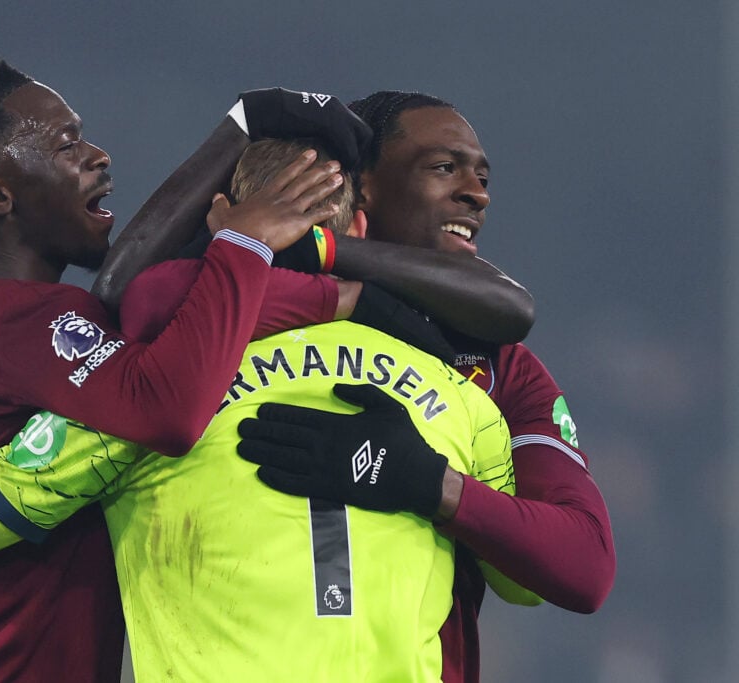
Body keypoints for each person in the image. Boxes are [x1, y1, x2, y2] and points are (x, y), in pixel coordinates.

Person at [0, 137, 541, 682]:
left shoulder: (151, 392)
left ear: (220, 223)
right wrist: (431, 486)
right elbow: (530, 576)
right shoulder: (460, 396)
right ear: (357, 227)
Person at [0, 56, 370, 682]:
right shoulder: (27, 319)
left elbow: (133, 295)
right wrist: (250, 243)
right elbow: (167, 407)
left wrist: (246, 124)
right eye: (66, 144)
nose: (98, 156)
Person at [240, 91, 617, 682]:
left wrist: (427, 483)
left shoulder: (502, 370)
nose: (477, 193)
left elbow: (585, 566)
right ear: (359, 185)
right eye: (444, 167)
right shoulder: (238, 305)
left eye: (482, 178)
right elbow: (135, 293)